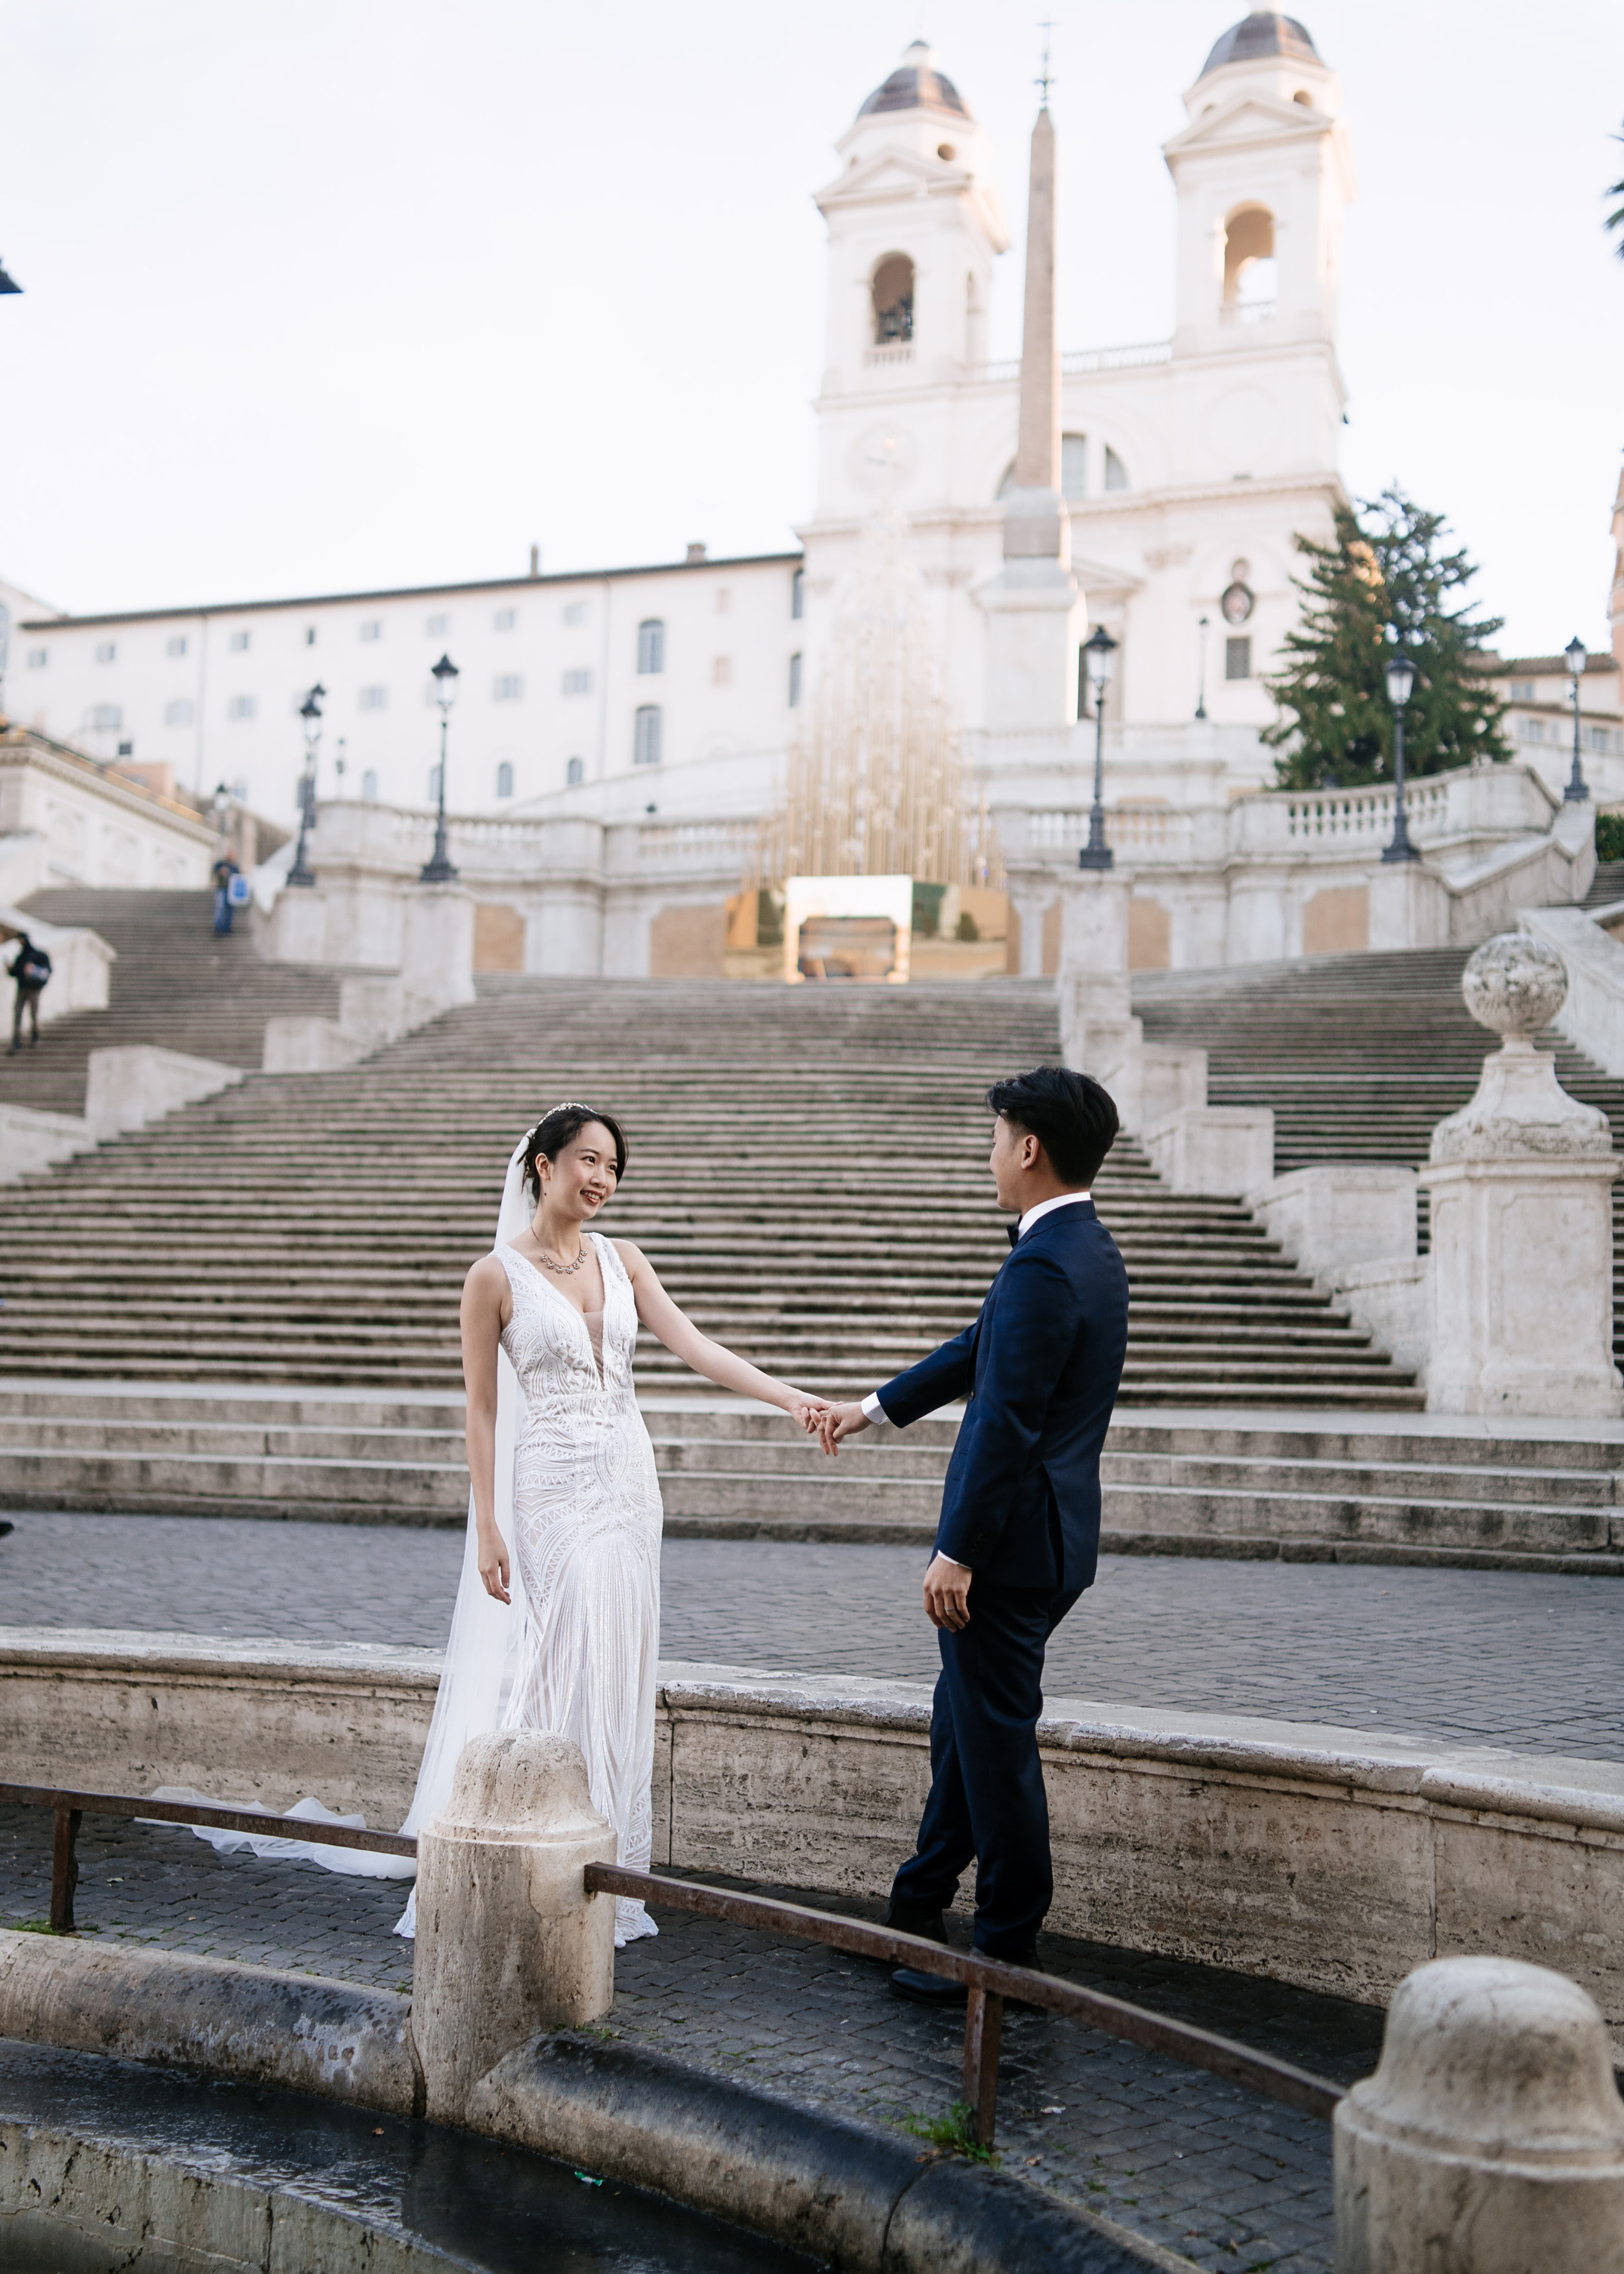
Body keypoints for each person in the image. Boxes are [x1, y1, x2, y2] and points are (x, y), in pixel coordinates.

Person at [396, 1101, 832, 1947]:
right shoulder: (493, 1276)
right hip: (552, 1489)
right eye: (588, 1161)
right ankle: (522, 1844)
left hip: (630, 1484)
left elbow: (697, 1347)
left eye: (613, 1167)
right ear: (544, 1165)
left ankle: (607, 1871)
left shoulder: (623, 1258)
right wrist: (487, 1526)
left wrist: (791, 1399)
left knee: (621, 1661)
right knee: (560, 1654)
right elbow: (481, 1410)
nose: (602, 1178)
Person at [816, 1064, 1128, 1999]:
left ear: (1028, 1148)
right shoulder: (1083, 1246)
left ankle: (1005, 1954)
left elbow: (1006, 1421)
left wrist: (957, 1552)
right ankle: (916, 1907)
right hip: (1051, 1539)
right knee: (965, 1725)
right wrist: (871, 1408)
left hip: (1008, 1551)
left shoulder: (1045, 1262)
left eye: (995, 1139)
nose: (988, 1155)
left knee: (995, 1749)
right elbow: (978, 1347)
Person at [7, 932, 51, 1052]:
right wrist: (10, 969)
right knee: (18, 1013)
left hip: (33, 989)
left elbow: (46, 972)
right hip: (22, 988)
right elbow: (16, 973)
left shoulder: (38, 955)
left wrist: (34, 973)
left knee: (33, 1013)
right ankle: (17, 1040)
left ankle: (35, 1037)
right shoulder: (21, 957)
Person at [212, 852, 240, 935]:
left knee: (230, 910)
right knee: (220, 908)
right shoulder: (221, 864)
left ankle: (227, 928)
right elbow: (215, 871)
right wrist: (221, 871)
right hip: (222, 888)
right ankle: (218, 928)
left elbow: (238, 876)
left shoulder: (234, 866)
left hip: (231, 890)